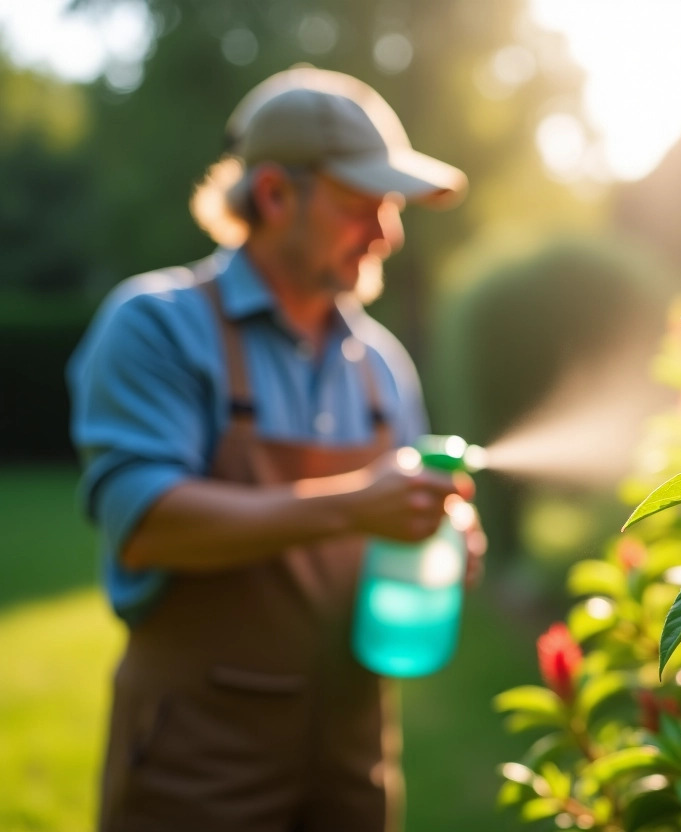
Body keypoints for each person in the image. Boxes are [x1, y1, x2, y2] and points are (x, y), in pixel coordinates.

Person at [67, 68, 481, 832]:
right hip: (196, 757)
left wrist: (441, 535)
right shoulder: (155, 326)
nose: (387, 232)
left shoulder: (384, 361)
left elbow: (388, 530)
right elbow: (148, 521)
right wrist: (359, 504)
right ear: (273, 196)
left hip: (354, 756)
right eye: (363, 202)